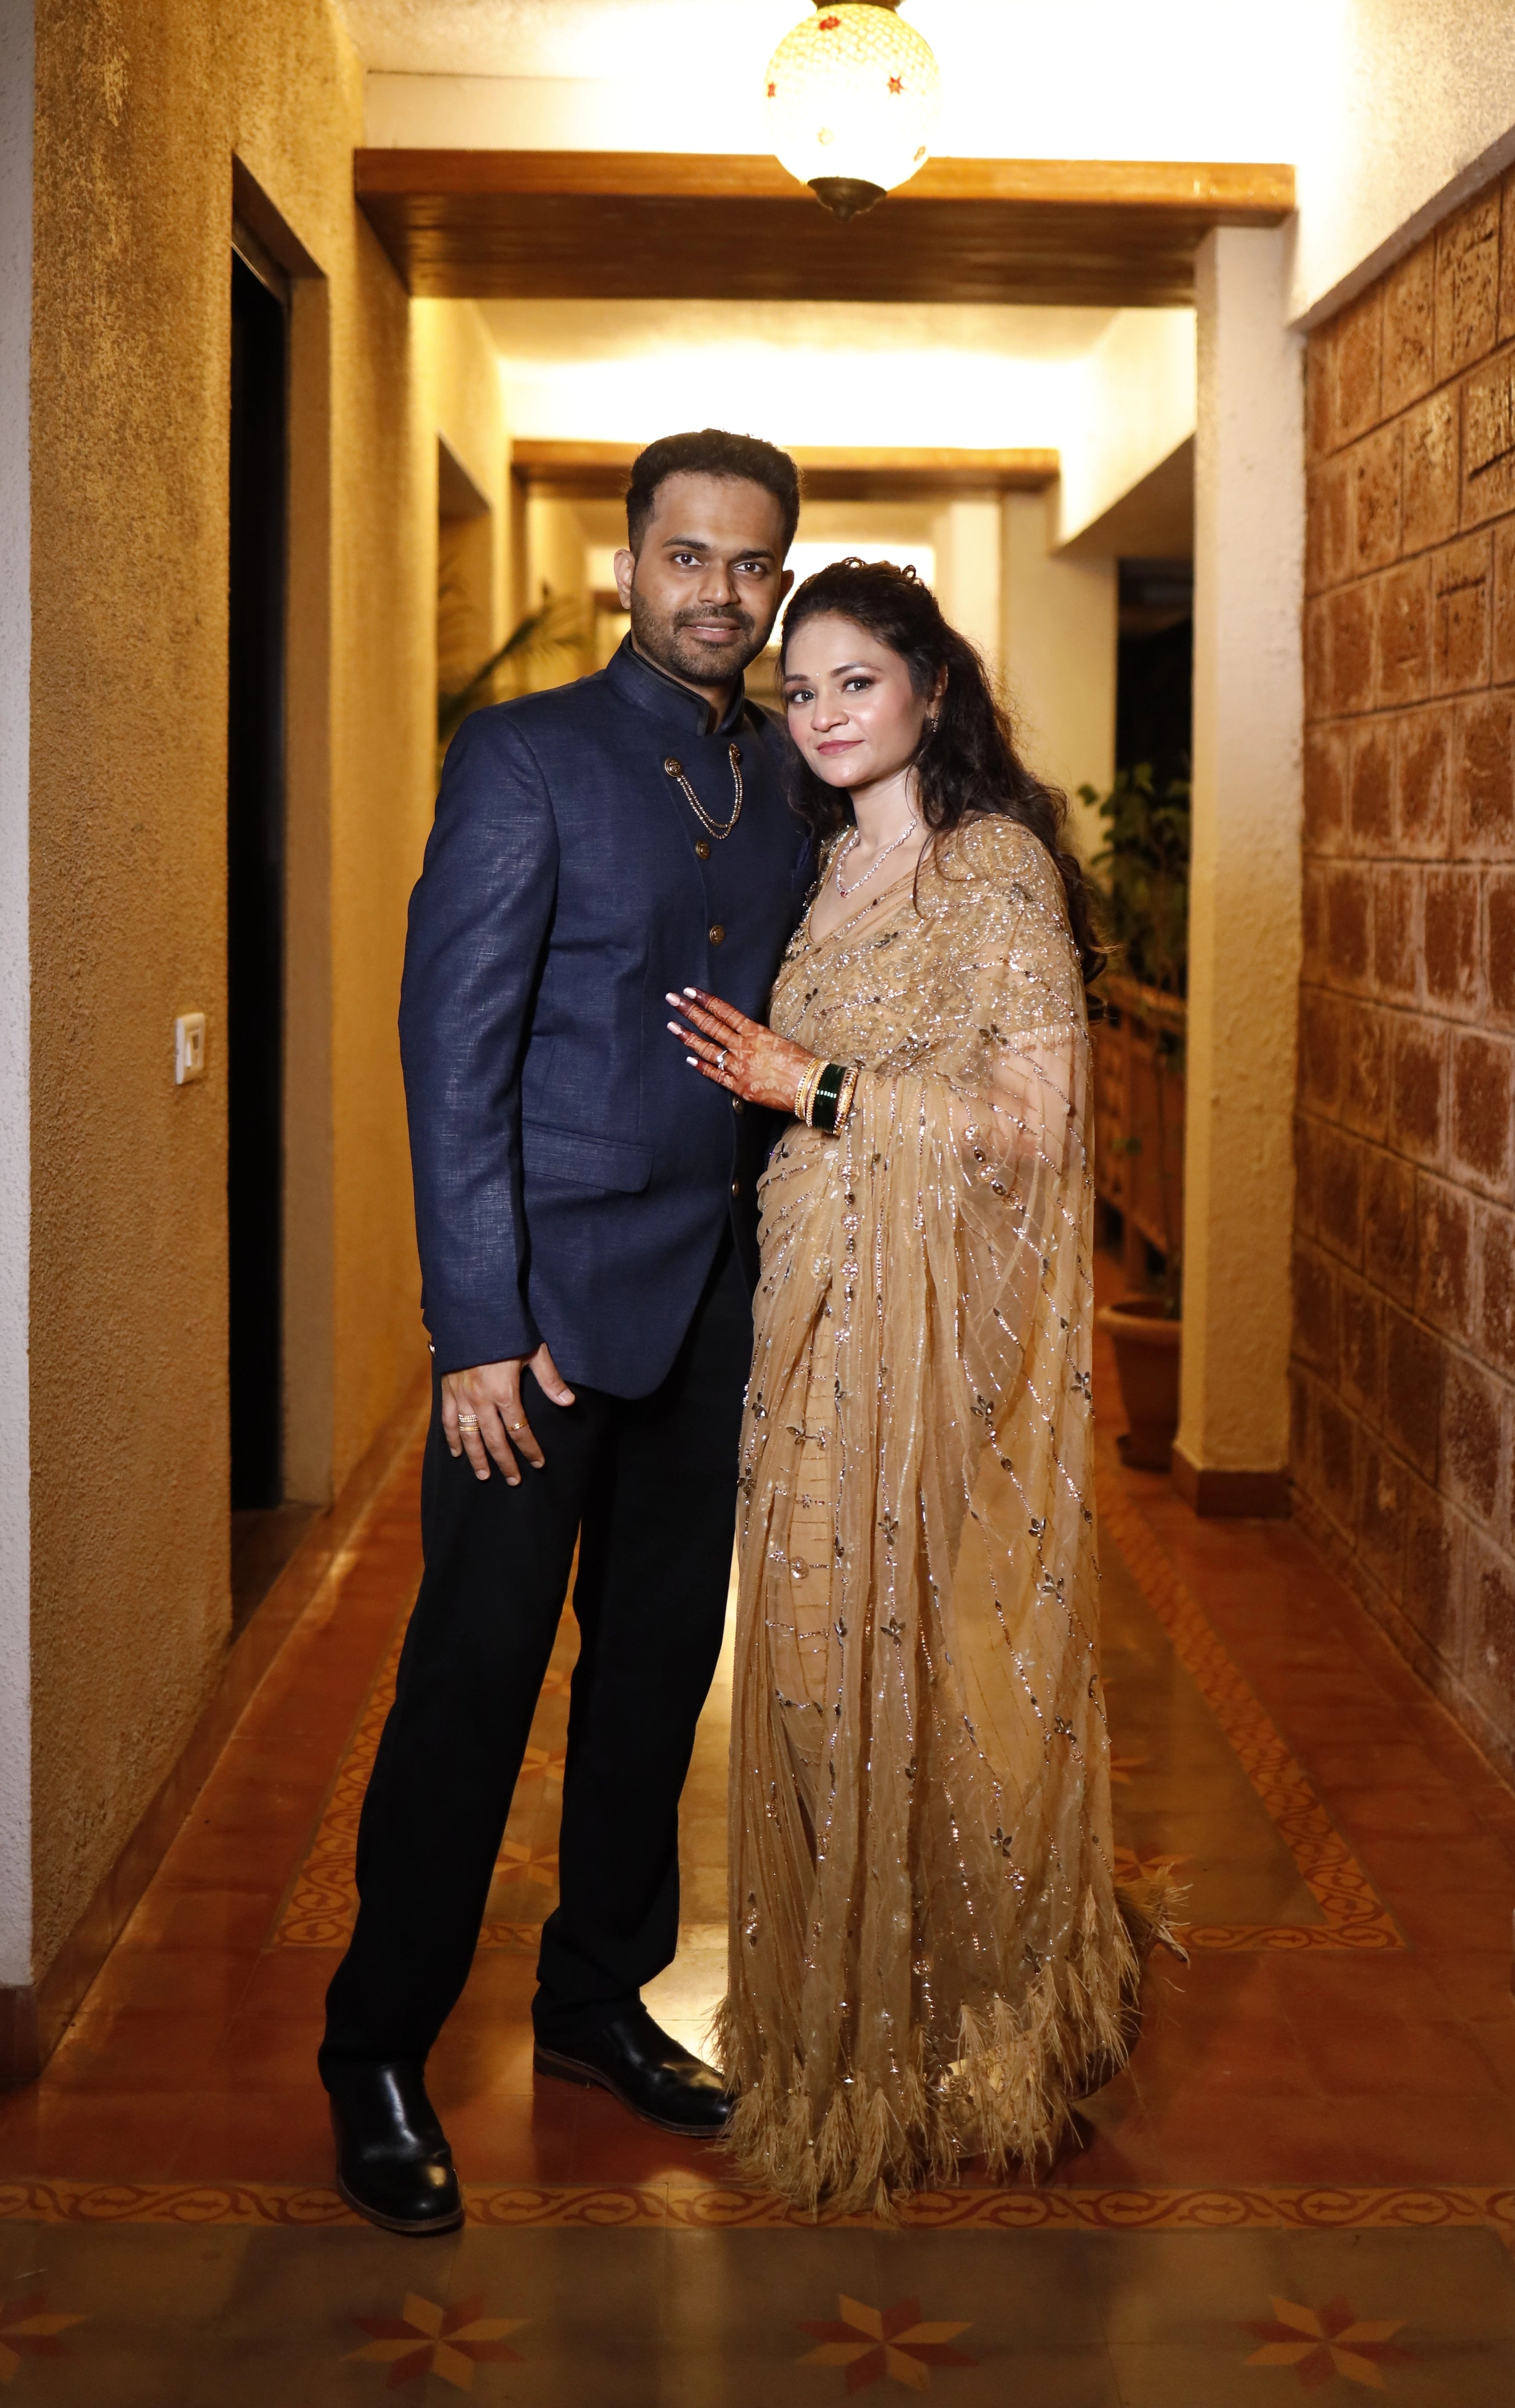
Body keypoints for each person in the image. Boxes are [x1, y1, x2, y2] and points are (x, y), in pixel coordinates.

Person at [319, 428, 809, 2235]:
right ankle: (375, 2045)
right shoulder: (524, 756)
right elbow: (451, 1056)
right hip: (532, 1336)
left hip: (714, 1316)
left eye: (752, 566)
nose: (720, 594)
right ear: (628, 567)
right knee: (474, 1681)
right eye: (688, 558)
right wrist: (471, 1332)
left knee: (654, 1677)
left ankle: (598, 1998)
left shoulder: (785, 775)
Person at [665, 559, 1158, 2215]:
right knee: (807, 1665)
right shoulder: (824, 871)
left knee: (933, 1655)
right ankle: (831, 2035)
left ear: (931, 691)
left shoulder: (992, 870)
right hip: (806, 1317)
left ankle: (964, 2029)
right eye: (799, 692)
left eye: (853, 683)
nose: (818, 716)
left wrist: (810, 1083)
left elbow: (1033, 1125)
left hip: (928, 1346)